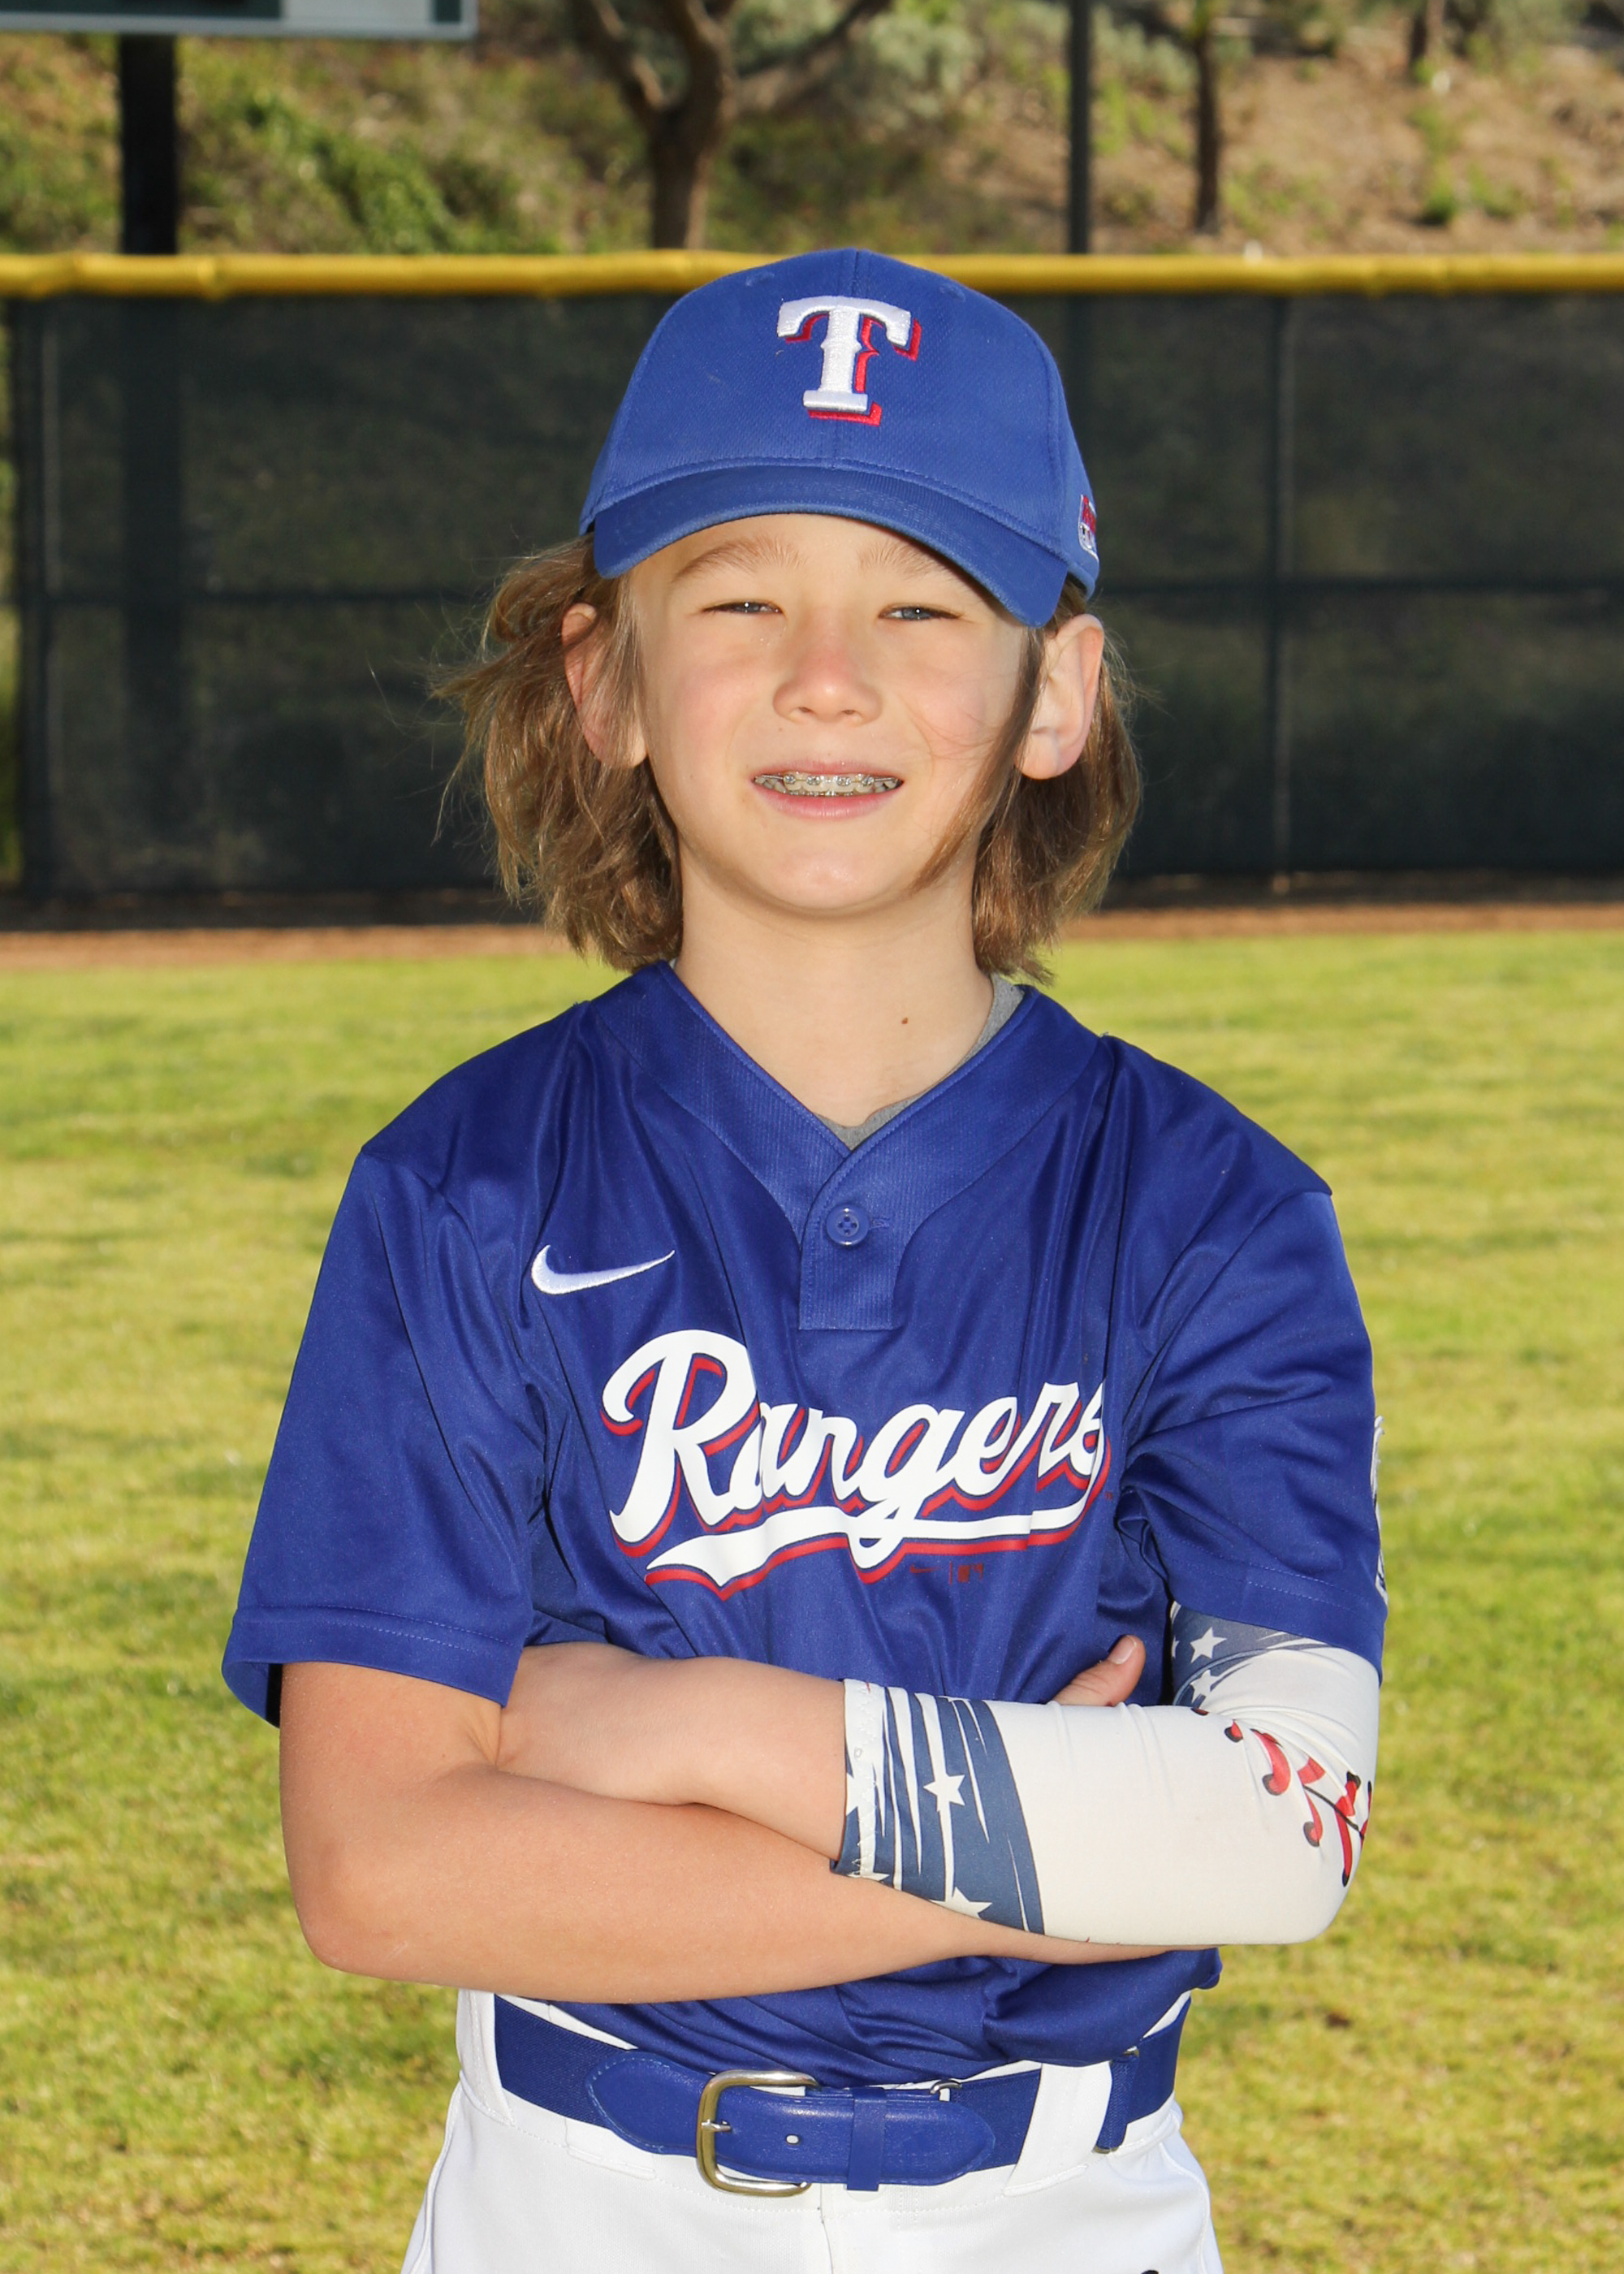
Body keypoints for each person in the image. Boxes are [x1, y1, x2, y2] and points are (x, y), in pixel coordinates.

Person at [223, 249, 1384, 2274]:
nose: (825, 675)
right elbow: (384, 1867)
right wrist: (1052, 1848)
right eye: (738, 597)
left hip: (1067, 2210)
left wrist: (703, 1736)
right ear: (603, 682)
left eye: (922, 605)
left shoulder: (1212, 1211)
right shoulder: (462, 1190)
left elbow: (1281, 1824)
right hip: (578, 2204)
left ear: (1054, 692)